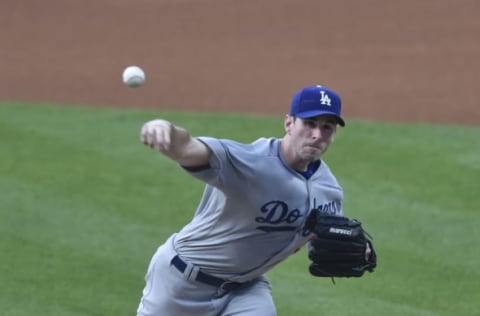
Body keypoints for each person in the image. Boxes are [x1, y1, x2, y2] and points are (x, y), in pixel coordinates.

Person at [136, 85, 348, 316]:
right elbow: (188, 148)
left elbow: (326, 240)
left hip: (245, 290)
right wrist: (165, 128)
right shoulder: (251, 161)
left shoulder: (329, 189)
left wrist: (356, 248)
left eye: (327, 127)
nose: (317, 135)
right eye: (309, 123)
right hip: (180, 283)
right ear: (288, 123)